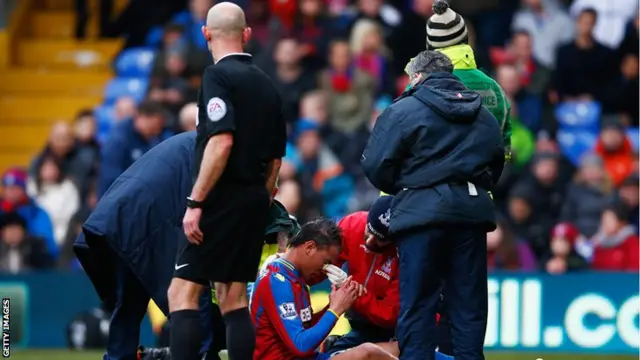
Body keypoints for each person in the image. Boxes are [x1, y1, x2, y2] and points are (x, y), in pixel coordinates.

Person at [74, 131, 298, 360]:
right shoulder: (232, 157)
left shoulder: (217, 145)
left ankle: (118, 357)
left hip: (121, 215)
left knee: (131, 303)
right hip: (156, 217)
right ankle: (203, 354)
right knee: (189, 294)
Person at [361, 50, 504, 360]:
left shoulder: (403, 110)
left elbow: (375, 166)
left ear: (416, 76)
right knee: (469, 306)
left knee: (418, 305)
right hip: (470, 213)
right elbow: (495, 167)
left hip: (420, 214)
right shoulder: (483, 114)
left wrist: (409, 183)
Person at [170, 3, 287, 360]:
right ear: (247, 34)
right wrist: (261, 199)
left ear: (206, 34)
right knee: (233, 297)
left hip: (220, 199)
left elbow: (221, 141)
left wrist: (195, 203)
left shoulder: (216, 77)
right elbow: (276, 158)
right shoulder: (267, 83)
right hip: (253, 199)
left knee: (182, 293)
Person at [251, 218, 398, 360]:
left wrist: (335, 303)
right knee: (368, 353)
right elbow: (301, 346)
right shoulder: (277, 281)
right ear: (310, 247)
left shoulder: (294, 277)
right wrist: (334, 310)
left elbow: (304, 328)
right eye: (326, 261)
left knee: (394, 348)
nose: (325, 269)